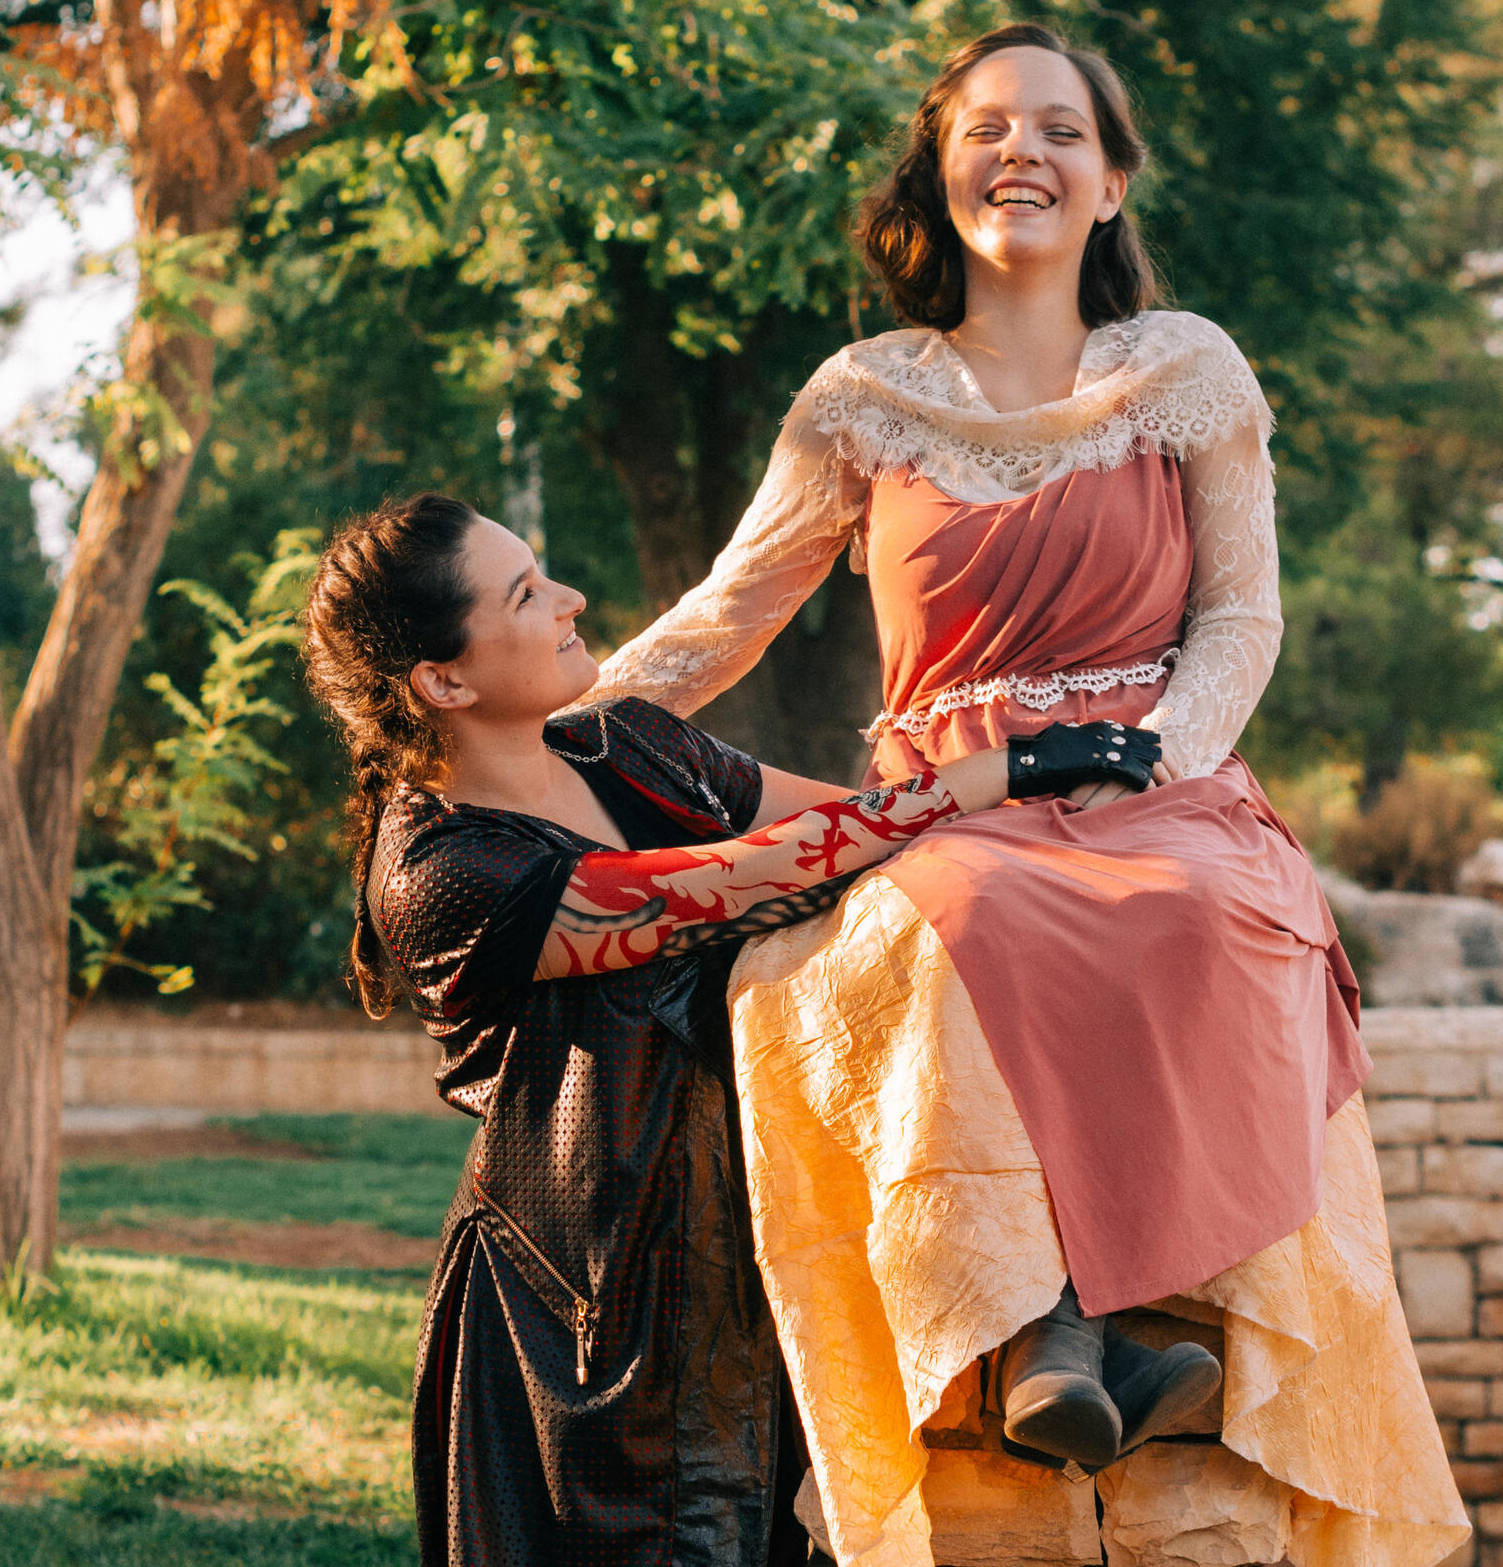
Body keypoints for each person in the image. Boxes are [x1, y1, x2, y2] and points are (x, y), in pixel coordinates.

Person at [584, 26, 1471, 1566]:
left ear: (1112, 179)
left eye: (1061, 131)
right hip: (956, 797)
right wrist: (559, 723)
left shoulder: (1186, 368)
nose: (1023, 154)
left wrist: (1166, 761)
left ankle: (1117, 1328)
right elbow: (729, 616)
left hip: (1161, 774)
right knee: (960, 911)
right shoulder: (864, 397)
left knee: (1205, 910)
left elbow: (1242, 617)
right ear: (940, 172)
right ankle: (1056, 1330)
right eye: (987, 127)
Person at [297, 492, 1175, 1567]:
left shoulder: (632, 747)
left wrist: (1048, 818)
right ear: (444, 680)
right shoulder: (442, 872)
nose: (570, 597)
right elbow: (731, 878)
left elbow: (860, 832)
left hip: (757, 1263)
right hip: (589, 1325)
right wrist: (1005, 769)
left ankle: (1055, 1322)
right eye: (526, 593)